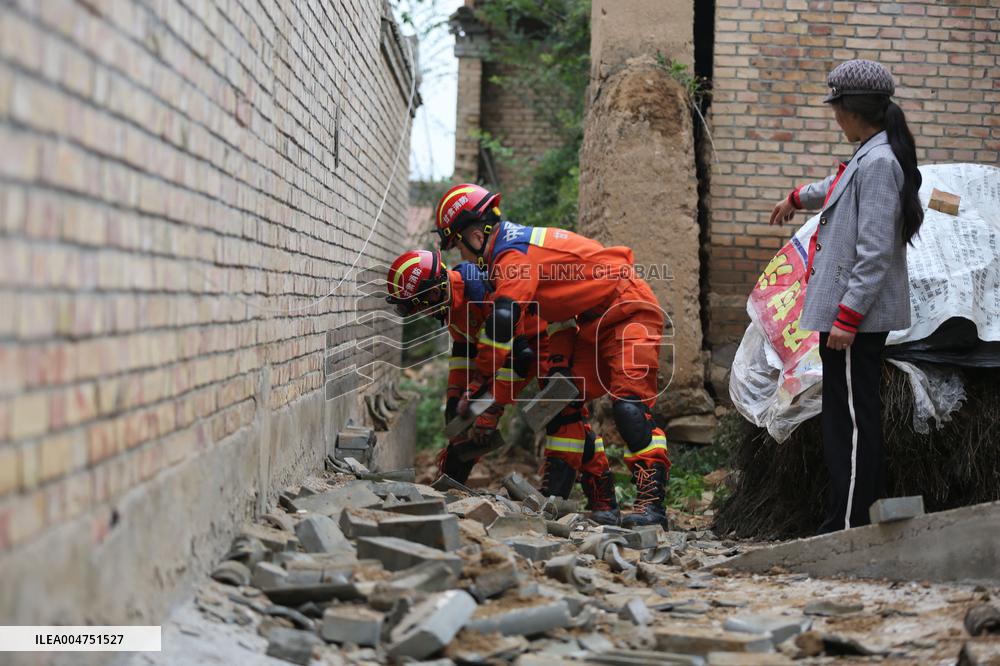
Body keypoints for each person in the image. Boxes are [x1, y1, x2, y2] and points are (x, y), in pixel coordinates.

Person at [434, 183, 670, 528]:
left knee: (630, 408)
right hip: (589, 323)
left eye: (458, 244)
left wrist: (480, 386)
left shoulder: (511, 255)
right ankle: (603, 502)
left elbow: (503, 320)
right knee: (562, 404)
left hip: (628, 309)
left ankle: (653, 507)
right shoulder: (511, 250)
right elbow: (545, 315)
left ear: (474, 232)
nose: (462, 256)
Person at [768, 59, 923, 533]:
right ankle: (844, 513)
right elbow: (835, 189)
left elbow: (874, 253)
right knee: (842, 418)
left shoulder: (878, 163)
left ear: (850, 110)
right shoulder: (869, 153)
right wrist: (797, 198)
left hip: (855, 322)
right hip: (846, 319)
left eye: (835, 107)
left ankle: (852, 524)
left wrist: (848, 318)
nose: (834, 117)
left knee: (854, 422)